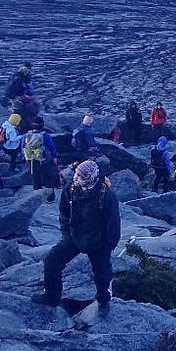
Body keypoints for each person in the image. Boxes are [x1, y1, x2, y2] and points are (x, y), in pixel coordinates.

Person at [31, 160, 120, 317]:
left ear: (90, 177)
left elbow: (113, 225)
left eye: (80, 175)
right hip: (74, 237)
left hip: (97, 241)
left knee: (102, 272)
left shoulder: (106, 195)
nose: (75, 177)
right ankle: (51, 297)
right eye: (76, 173)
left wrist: (107, 247)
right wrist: (67, 236)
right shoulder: (70, 189)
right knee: (51, 261)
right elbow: (64, 214)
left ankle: (103, 301)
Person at [23, 116, 59, 203]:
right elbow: (51, 147)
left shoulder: (28, 134)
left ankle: (37, 195)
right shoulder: (45, 135)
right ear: (42, 125)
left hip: (31, 159)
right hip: (44, 160)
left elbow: (23, 146)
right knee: (48, 178)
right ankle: (50, 198)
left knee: (35, 177)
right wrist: (55, 156)